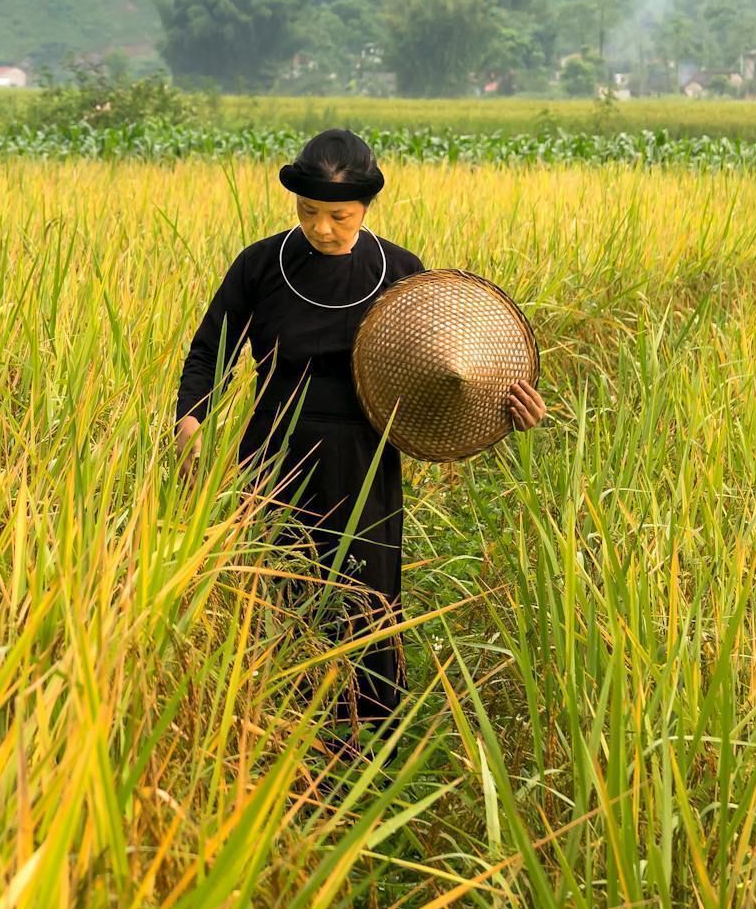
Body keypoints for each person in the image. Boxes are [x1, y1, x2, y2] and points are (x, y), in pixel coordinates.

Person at [173, 127, 542, 731]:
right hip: (273, 458)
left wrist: (507, 404)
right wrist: (192, 417)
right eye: (308, 212)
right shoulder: (261, 265)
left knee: (367, 610)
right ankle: (277, 747)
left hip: (364, 464)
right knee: (277, 606)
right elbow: (212, 350)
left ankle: (367, 753)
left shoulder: (401, 272)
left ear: (366, 207)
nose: (322, 228)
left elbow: (450, 367)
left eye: (339, 215)